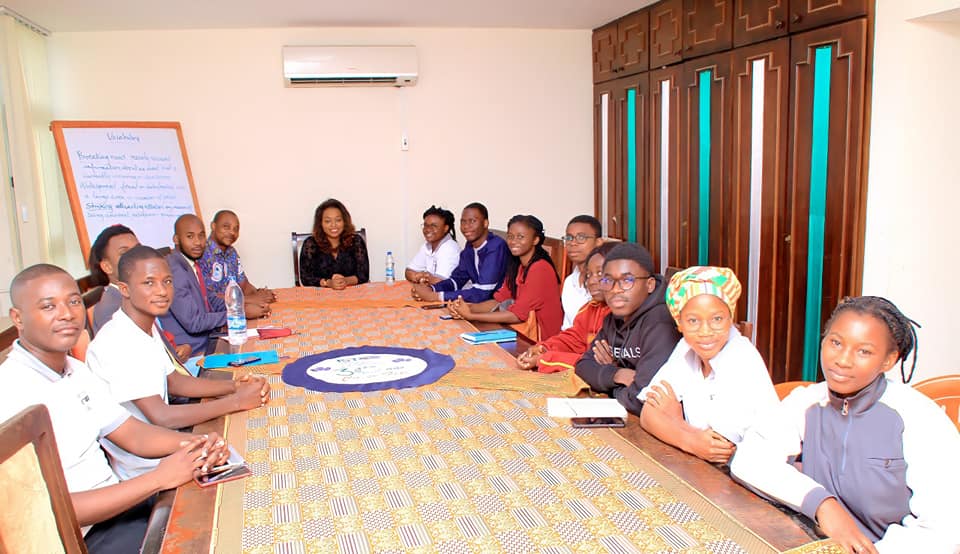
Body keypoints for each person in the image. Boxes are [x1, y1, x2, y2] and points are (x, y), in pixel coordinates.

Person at [0, 264, 230, 553]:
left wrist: (199, 445)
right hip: (80, 536)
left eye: (73, 302)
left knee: (226, 499)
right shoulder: (10, 393)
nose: (67, 314)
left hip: (120, 504)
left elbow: (132, 434)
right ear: (18, 318)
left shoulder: (74, 369)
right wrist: (158, 478)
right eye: (48, 306)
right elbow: (48, 509)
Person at [731, 297, 960, 553]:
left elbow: (946, 529)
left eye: (864, 351)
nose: (842, 360)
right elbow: (749, 459)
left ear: (889, 360)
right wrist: (822, 504)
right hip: (821, 543)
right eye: (836, 342)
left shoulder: (919, 418)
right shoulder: (808, 402)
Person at [87, 246, 270, 479]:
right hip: (152, 467)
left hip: (172, 444)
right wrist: (236, 402)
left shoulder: (144, 325)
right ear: (124, 289)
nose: (162, 291)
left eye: (167, 281)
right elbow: (161, 416)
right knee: (262, 464)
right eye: (149, 283)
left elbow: (174, 382)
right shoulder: (118, 342)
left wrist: (235, 386)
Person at [638, 266, 778, 464]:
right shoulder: (686, 347)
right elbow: (648, 414)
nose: (705, 331)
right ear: (679, 323)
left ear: (731, 319)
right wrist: (689, 438)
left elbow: (718, 449)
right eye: (693, 320)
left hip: (750, 477)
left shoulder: (742, 359)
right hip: (705, 470)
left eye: (717, 319)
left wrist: (675, 421)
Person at [574, 243, 679, 416]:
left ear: (650, 285)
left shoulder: (661, 324)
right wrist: (618, 374)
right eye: (608, 280)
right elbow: (583, 367)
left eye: (627, 280)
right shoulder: (613, 318)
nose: (615, 290)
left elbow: (644, 399)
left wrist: (609, 388)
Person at [160, 214, 269, 354]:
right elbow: (194, 322)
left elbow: (210, 298)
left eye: (201, 236)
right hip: (196, 351)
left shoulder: (189, 263)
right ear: (176, 239)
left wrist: (241, 307)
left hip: (211, 339)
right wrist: (238, 314)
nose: (198, 242)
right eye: (190, 236)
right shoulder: (174, 270)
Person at [448, 214, 563, 341]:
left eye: (520, 237)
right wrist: (464, 307)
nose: (513, 241)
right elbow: (498, 300)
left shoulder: (540, 268)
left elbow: (516, 315)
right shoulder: (518, 265)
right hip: (520, 332)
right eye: (510, 236)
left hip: (542, 341)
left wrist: (471, 315)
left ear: (535, 240)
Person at [517, 242, 615, 372]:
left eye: (600, 273)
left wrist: (546, 359)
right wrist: (543, 348)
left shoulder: (622, 314)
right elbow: (573, 339)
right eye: (589, 275)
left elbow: (595, 363)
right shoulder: (591, 308)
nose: (591, 281)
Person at [411, 202, 509, 303]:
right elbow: (457, 280)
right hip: (481, 303)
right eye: (463, 222)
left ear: (485, 223)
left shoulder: (496, 246)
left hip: (501, 304)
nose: (466, 226)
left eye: (472, 221)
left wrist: (436, 296)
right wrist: (431, 289)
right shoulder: (470, 247)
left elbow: (482, 293)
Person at [198, 209, 276, 304]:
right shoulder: (202, 253)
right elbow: (206, 296)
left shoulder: (232, 252)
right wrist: (250, 299)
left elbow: (244, 285)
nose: (232, 232)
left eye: (236, 229)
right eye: (226, 227)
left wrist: (260, 294)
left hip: (235, 306)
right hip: (216, 313)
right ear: (213, 226)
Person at [299, 198, 370, 288]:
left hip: (352, 294)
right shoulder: (310, 244)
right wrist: (328, 283)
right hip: (320, 297)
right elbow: (306, 278)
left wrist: (345, 281)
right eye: (328, 221)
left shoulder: (356, 241)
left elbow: (364, 275)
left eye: (338, 220)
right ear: (320, 223)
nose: (333, 225)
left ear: (344, 221)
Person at [88, 224, 139, 335]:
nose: (137, 256)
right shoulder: (111, 310)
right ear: (107, 267)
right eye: (125, 253)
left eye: (138, 249)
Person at [560, 215, 604, 330]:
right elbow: (567, 328)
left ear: (598, 242)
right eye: (569, 238)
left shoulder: (603, 283)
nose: (573, 243)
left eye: (581, 237)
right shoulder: (569, 282)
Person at [405, 205, 461, 283]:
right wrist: (417, 277)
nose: (428, 229)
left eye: (433, 226)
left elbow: (441, 283)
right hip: (433, 292)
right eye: (425, 225)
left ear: (446, 228)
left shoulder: (450, 248)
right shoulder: (426, 246)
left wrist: (422, 277)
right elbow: (409, 271)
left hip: (451, 294)